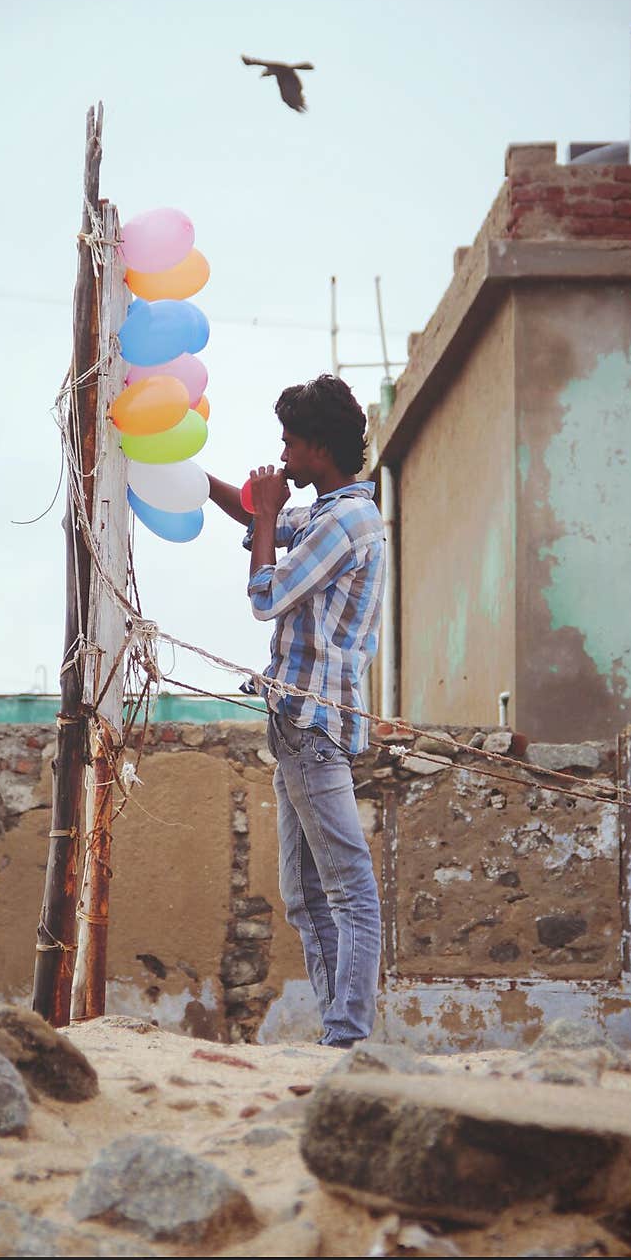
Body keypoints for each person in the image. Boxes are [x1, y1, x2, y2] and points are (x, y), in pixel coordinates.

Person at [207, 374, 386, 1047]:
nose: (280, 452)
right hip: (294, 727)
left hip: (313, 727)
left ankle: (347, 1035)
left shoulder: (345, 522)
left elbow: (266, 595)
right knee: (305, 898)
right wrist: (195, 479)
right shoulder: (328, 513)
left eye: (289, 441)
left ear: (317, 447)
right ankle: (339, 1033)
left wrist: (260, 516)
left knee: (348, 891)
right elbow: (263, 515)